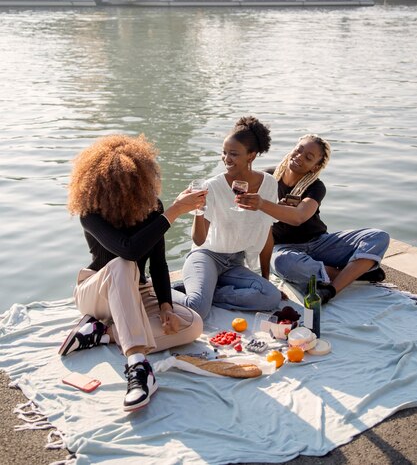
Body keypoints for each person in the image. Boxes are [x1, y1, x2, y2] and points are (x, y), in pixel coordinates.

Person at [59, 134, 205, 413]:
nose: (126, 190)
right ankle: (138, 367)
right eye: (116, 184)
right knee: (124, 264)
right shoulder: (91, 213)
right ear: (99, 184)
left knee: (193, 325)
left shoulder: (152, 208)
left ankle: (103, 333)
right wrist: (174, 212)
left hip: (136, 292)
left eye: (133, 182)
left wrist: (165, 306)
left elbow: (159, 264)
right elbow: (129, 251)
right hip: (97, 291)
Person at [236, 134, 390, 304]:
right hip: (285, 249)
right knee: (282, 262)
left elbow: (299, 217)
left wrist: (264, 204)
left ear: (315, 167)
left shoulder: (316, 186)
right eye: (298, 150)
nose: (299, 157)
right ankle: (354, 273)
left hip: (319, 243)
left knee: (378, 236)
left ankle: (331, 290)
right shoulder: (267, 178)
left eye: (308, 157)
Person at [172, 116, 282, 319]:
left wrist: (266, 279)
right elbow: (198, 241)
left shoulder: (269, 184)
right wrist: (199, 210)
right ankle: (156, 291)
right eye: (224, 153)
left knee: (272, 297)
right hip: (206, 257)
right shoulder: (212, 186)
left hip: (235, 263)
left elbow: (267, 234)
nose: (226, 159)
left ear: (251, 156)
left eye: (233, 154)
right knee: (198, 309)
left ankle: (208, 292)